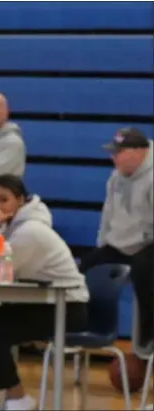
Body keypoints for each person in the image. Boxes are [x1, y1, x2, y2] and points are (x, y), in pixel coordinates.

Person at [0, 174, 89, 411]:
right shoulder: (15, 228)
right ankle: (13, 396)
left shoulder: (30, 232)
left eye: (4, 200)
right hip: (44, 302)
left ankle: (18, 398)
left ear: (21, 200)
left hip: (67, 307)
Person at [79, 127, 153, 350]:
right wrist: (103, 245)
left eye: (118, 152)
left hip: (149, 242)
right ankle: (83, 327)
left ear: (139, 152)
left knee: (144, 268)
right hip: (122, 243)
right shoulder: (115, 178)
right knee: (86, 265)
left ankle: (147, 338)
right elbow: (107, 217)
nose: (113, 157)